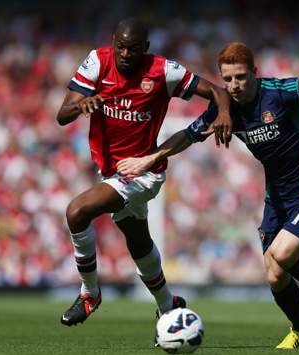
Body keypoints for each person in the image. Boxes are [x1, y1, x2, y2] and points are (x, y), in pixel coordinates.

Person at [116, 42, 299, 349]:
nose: (234, 85)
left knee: (282, 254)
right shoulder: (225, 109)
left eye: (240, 77)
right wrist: (149, 159)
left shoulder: (280, 92)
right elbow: (188, 136)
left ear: (254, 73)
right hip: (278, 198)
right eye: (227, 79)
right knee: (274, 275)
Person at [55, 18, 232, 330]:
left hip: (144, 171)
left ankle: (89, 293)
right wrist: (83, 103)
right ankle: (168, 305)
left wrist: (225, 114)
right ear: (113, 42)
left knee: (77, 211)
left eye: (133, 49)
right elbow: (62, 115)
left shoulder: (163, 71)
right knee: (138, 243)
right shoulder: (98, 61)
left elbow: (217, 91)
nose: (125, 53)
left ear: (145, 49)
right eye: (120, 46)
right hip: (111, 171)